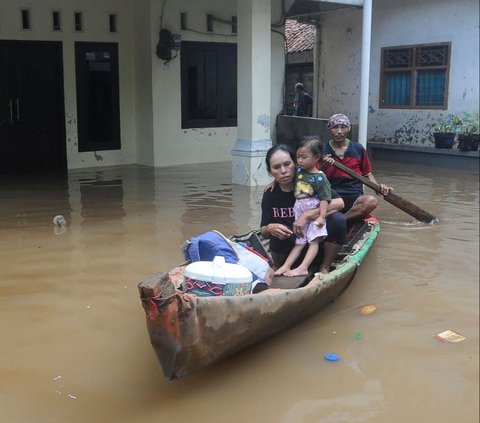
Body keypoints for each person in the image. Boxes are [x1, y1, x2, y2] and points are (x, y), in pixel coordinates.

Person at [261, 144, 347, 276]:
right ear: (270, 171)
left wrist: (308, 215)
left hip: (312, 246)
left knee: (338, 219)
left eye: (287, 164)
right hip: (287, 250)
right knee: (276, 232)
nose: (283, 171)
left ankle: (324, 267)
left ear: (296, 164)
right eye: (276, 167)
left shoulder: (308, 182)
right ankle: (280, 266)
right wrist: (270, 228)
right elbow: (263, 231)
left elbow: (340, 203)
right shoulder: (270, 193)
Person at [273, 137, 331, 277]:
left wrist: (322, 216)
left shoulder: (320, 178)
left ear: (316, 157)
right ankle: (286, 266)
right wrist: (274, 181)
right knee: (299, 242)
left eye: (304, 157)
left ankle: (303, 267)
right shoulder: (299, 170)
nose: (299, 160)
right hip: (299, 209)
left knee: (313, 240)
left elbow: (325, 199)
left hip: (313, 211)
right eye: (298, 157)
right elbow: (285, 175)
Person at [322, 113, 392, 222]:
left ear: (348, 129)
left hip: (354, 196)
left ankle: (341, 221)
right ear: (330, 129)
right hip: (331, 196)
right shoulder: (322, 149)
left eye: (343, 127)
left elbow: (367, 173)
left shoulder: (358, 149)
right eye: (335, 127)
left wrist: (379, 188)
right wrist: (324, 167)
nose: (339, 131)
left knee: (371, 202)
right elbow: (314, 175)